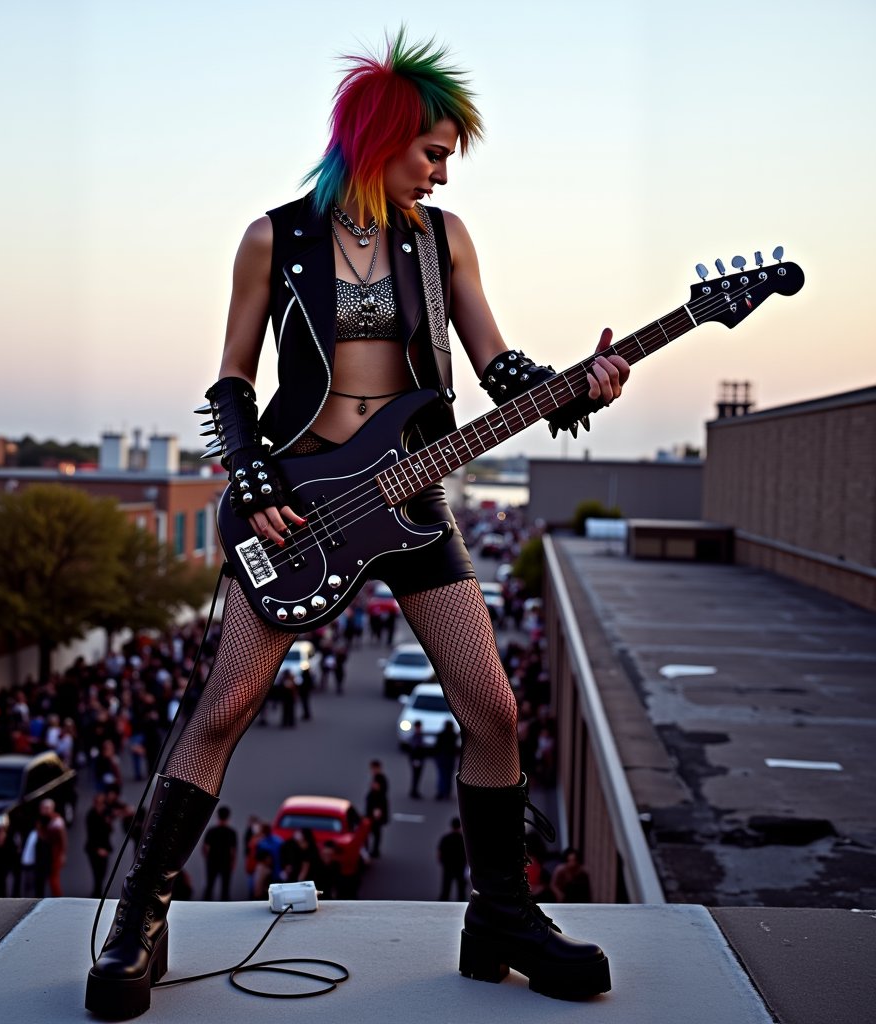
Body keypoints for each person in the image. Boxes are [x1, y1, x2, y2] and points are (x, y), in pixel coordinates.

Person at [86, 30, 626, 1019]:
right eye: (431, 149)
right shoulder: (273, 237)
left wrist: (575, 389)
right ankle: (140, 920)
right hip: (303, 497)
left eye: (448, 156)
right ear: (378, 136)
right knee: (225, 703)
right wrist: (254, 482)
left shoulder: (444, 238)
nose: (442, 167)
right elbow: (232, 380)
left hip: (414, 499)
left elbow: (498, 369)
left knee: (496, 710)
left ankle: (501, 915)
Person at [201, 805, 238, 901]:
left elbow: (205, 848)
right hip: (226, 862)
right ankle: (224, 909)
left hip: (212, 862)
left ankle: (205, 906)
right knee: (225, 888)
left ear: (218, 816)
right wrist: (233, 863)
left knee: (210, 885)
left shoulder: (211, 831)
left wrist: (208, 859)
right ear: (228, 816)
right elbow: (233, 850)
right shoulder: (231, 832)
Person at [437, 816, 468, 901]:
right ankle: (462, 907)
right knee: (461, 891)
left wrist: (443, 862)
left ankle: (442, 906)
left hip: (448, 867)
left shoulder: (446, 838)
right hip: (460, 868)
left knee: (446, 889)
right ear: (460, 826)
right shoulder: (464, 839)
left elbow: (439, 854)